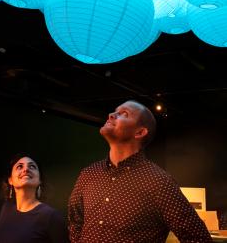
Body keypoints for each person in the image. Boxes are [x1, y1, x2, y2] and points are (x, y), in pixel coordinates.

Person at [68, 100, 212, 242]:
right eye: (114, 111)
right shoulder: (88, 173)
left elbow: (198, 238)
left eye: (124, 113)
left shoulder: (159, 182)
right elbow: (75, 221)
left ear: (140, 132)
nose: (111, 115)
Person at [0, 152, 69, 243]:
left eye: (32, 167)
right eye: (19, 166)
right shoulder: (6, 208)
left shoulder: (50, 216)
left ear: (40, 180)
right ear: (10, 180)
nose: (26, 169)